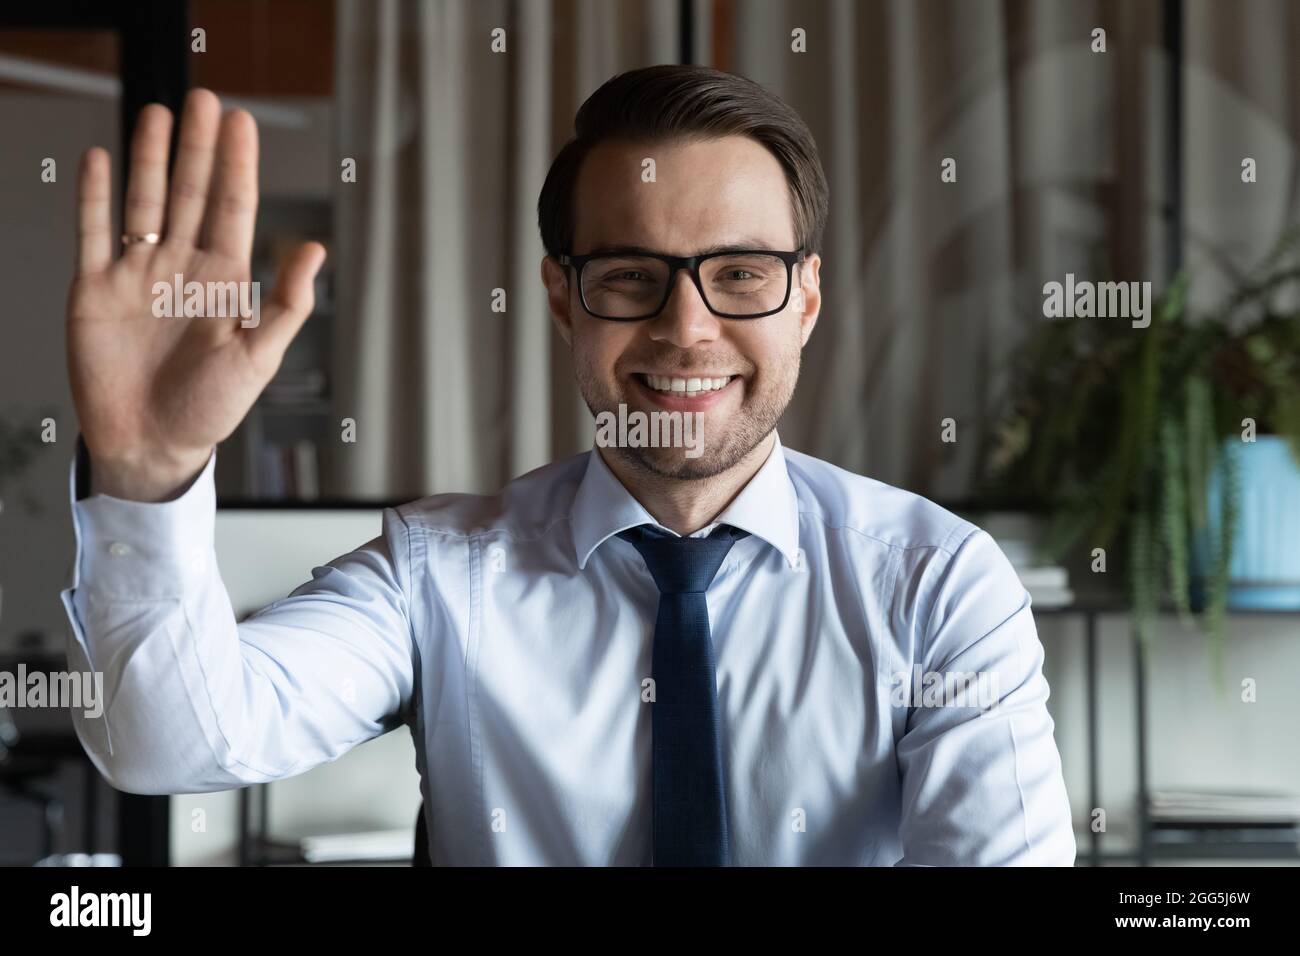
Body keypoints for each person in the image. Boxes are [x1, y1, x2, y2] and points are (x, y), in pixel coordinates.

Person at [61, 64, 1075, 866]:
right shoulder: (437, 571)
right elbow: (166, 742)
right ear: (562, 299)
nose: (688, 329)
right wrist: (148, 471)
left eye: (739, 276)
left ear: (804, 301)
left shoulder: (936, 583)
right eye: (631, 276)